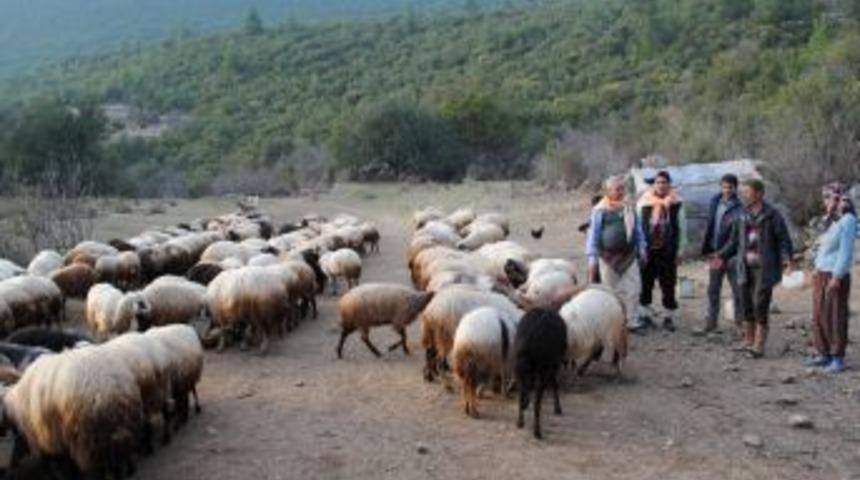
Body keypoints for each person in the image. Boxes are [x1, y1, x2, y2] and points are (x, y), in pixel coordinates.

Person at [714, 179, 793, 358]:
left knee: (760, 304)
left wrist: (787, 258)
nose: (743, 195)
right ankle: (749, 340)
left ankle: (759, 345)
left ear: (759, 194)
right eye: (743, 192)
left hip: (765, 268)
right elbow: (734, 241)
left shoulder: (772, 215)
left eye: (747, 192)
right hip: (745, 266)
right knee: (746, 303)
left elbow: (783, 239)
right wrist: (720, 255)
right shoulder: (741, 214)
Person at [585, 175, 647, 331]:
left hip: (629, 255)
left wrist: (642, 249)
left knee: (633, 288)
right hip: (607, 257)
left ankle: (631, 321)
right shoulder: (599, 210)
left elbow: (638, 231)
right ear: (608, 191)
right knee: (610, 291)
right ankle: (614, 324)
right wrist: (592, 261)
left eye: (622, 188)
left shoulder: (629, 207)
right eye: (617, 189)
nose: (620, 192)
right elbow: (594, 235)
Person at [806, 183, 857, 373]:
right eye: (826, 198)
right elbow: (823, 247)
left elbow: (845, 251)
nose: (829, 201)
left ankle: (837, 357)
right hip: (821, 272)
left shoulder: (848, 220)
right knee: (819, 314)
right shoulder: (831, 220)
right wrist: (815, 268)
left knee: (835, 314)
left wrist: (837, 276)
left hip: (835, 274)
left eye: (834, 198)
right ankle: (823, 352)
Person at [636, 170, 687, 332]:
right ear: (654, 184)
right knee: (645, 282)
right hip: (648, 250)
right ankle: (645, 314)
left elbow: (682, 228)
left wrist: (680, 249)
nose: (661, 185)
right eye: (658, 182)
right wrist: (639, 249)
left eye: (664, 182)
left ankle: (668, 316)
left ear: (669, 184)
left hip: (668, 249)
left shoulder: (676, 203)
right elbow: (638, 228)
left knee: (668, 283)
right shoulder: (643, 203)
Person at [699, 174, 743, 335]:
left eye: (730, 187)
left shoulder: (739, 208)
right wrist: (709, 250)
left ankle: (740, 325)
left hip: (731, 256)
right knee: (713, 290)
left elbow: (735, 238)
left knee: (737, 289)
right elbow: (709, 226)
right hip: (714, 253)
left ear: (735, 188)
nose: (727, 190)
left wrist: (721, 255)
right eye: (724, 186)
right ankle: (711, 323)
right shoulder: (714, 202)